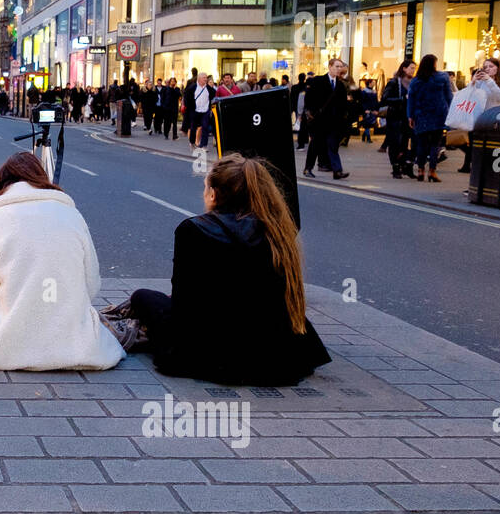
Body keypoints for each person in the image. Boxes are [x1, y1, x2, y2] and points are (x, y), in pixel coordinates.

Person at [119, 154, 330, 384]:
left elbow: (184, 308)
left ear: (213, 194)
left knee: (142, 297)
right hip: (276, 359)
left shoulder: (192, 230)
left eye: (205, 187)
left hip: (214, 356)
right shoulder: (276, 229)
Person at [0, 152, 122, 372]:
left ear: (2, 182)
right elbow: (91, 286)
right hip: (73, 338)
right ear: (41, 179)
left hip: (13, 338)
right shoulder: (72, 214)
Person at [458, 57, 500, 173]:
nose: (488, 69)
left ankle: (494, 177)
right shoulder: (481, 82)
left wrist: (489, 81)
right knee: (477, 149)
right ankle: (476, 180)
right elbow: (468, 95)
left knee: (494, 149)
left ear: (498, 68)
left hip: (495, 120)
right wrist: (473, 82)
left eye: (491, 67)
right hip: (479, 119)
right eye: (486, 67)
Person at [302, 58, 350, 180]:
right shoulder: (318, 80)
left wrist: (343, 119)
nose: (339, 69)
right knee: (315, 145)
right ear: (329, 67)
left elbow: (343, 104)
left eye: (340, 67)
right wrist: (310, 112)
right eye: (336, 66)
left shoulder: (340, 85)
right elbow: (309, 98)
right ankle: (308, 168)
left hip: (334, 122)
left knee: (333, 146)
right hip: (319, 121)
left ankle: (337, 171)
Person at [407, 53, 452, 183]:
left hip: (421, 115)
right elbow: (449, 96)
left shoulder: (416, 80)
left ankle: (421, 170)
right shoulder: (442, 77)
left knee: (421, 144)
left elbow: (411, 99)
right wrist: (452, 112)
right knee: (435, 145)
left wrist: (410, 115)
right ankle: (432, 171)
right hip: (439, 114)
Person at [380, 60, 415, 179]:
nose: (413, 70)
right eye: (411, 68)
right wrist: (402, 98)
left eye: (414, 68)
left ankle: (404, 165)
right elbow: (385, 99)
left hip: (408, 117)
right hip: (395, 116)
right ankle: (395, 167)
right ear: (404, 68)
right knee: (395, 143)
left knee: (405, 143)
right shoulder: (394, 82)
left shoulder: (414, 83)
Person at [190, 72, 214, 148]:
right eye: (204, 78)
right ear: (199, 79)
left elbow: (214, 95)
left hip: (205, 111)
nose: (206, 79)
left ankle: (204, 145)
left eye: (206, 78)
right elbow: (188, 98)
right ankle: (192, 142)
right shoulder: (193, 87)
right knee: (193, 128)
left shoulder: (208, 88)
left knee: (205, 128)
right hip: (195, 111)